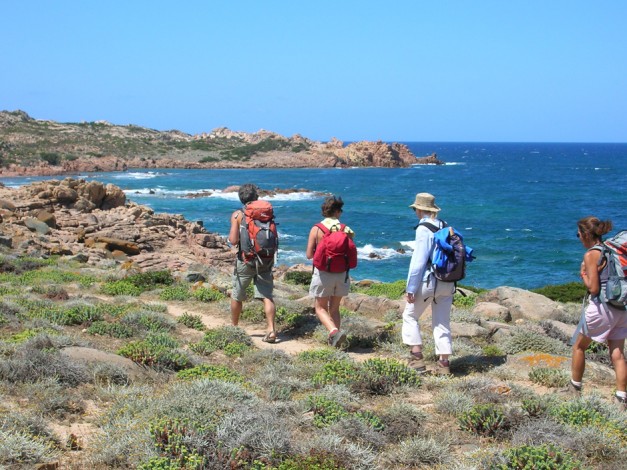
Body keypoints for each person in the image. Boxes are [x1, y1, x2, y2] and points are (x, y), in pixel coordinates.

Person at [564, 216, 627, 409]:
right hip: (621, 307)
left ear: (585, 234)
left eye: (578, 234)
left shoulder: (592, 254)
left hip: (602, 308)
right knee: (617, 354)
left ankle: (574, 390)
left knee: (579, 347)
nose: (579, 238)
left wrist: (583, 274)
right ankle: (621, 398)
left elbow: (593, 288)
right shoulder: (612, 249)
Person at [402, 193, 455, 374]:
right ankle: (444, 364)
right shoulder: (445, 226)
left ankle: (417, 359)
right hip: (447, 281)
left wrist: (410, 288)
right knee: (442, 322)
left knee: (410, 316)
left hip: (428, 280)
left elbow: (418, 262)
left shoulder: (423, 228)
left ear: (419, 209)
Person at [228, 183, 277, 343]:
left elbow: (233, 240)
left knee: (237, 295)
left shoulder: (238, 215)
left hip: (246, 260)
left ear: (241, 198)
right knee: (267, 296)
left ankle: (234, 327)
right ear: (256, 197)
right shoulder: (266, 213)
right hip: (266, 260)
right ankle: (271, 330)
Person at [306, 195, 354, 348]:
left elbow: (309, 255)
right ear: (338, 212)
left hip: (323, 273)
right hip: (342, 273)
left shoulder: (317, 229)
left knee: (319, 307)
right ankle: (337, 342)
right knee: (334, 309)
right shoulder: (346, 229)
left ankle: (333, 332)